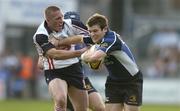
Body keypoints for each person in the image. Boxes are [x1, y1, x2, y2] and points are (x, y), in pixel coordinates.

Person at [57, 13, 143, 111]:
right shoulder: (96, 38)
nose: (92, 34)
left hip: (131, 81)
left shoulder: (111, 39)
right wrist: (59, 42)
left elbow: (94, 58)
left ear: (105, 29)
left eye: (95, 31)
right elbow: (79, 38)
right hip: (113, 82)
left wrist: (82, 55)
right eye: (90, 31)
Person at [33, 6, 89, 111]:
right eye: (57, 19)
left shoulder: (71, 23)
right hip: (54, 71)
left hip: (74, 68)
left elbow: (92, 36)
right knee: (60, 100)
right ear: (48, 20)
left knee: (82, 108)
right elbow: (55, 55)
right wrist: (80, 53)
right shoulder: (41, 35)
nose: (61, 21)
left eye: (61, 17)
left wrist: (64, 41)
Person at [64, 11, 105, 111]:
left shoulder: (85, 38)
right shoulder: (57, 38)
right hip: (63, 79)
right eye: (70, 22)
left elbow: (96, 55)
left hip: (80, 77)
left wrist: (95, 59)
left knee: (99, 107)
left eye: (76, 22)